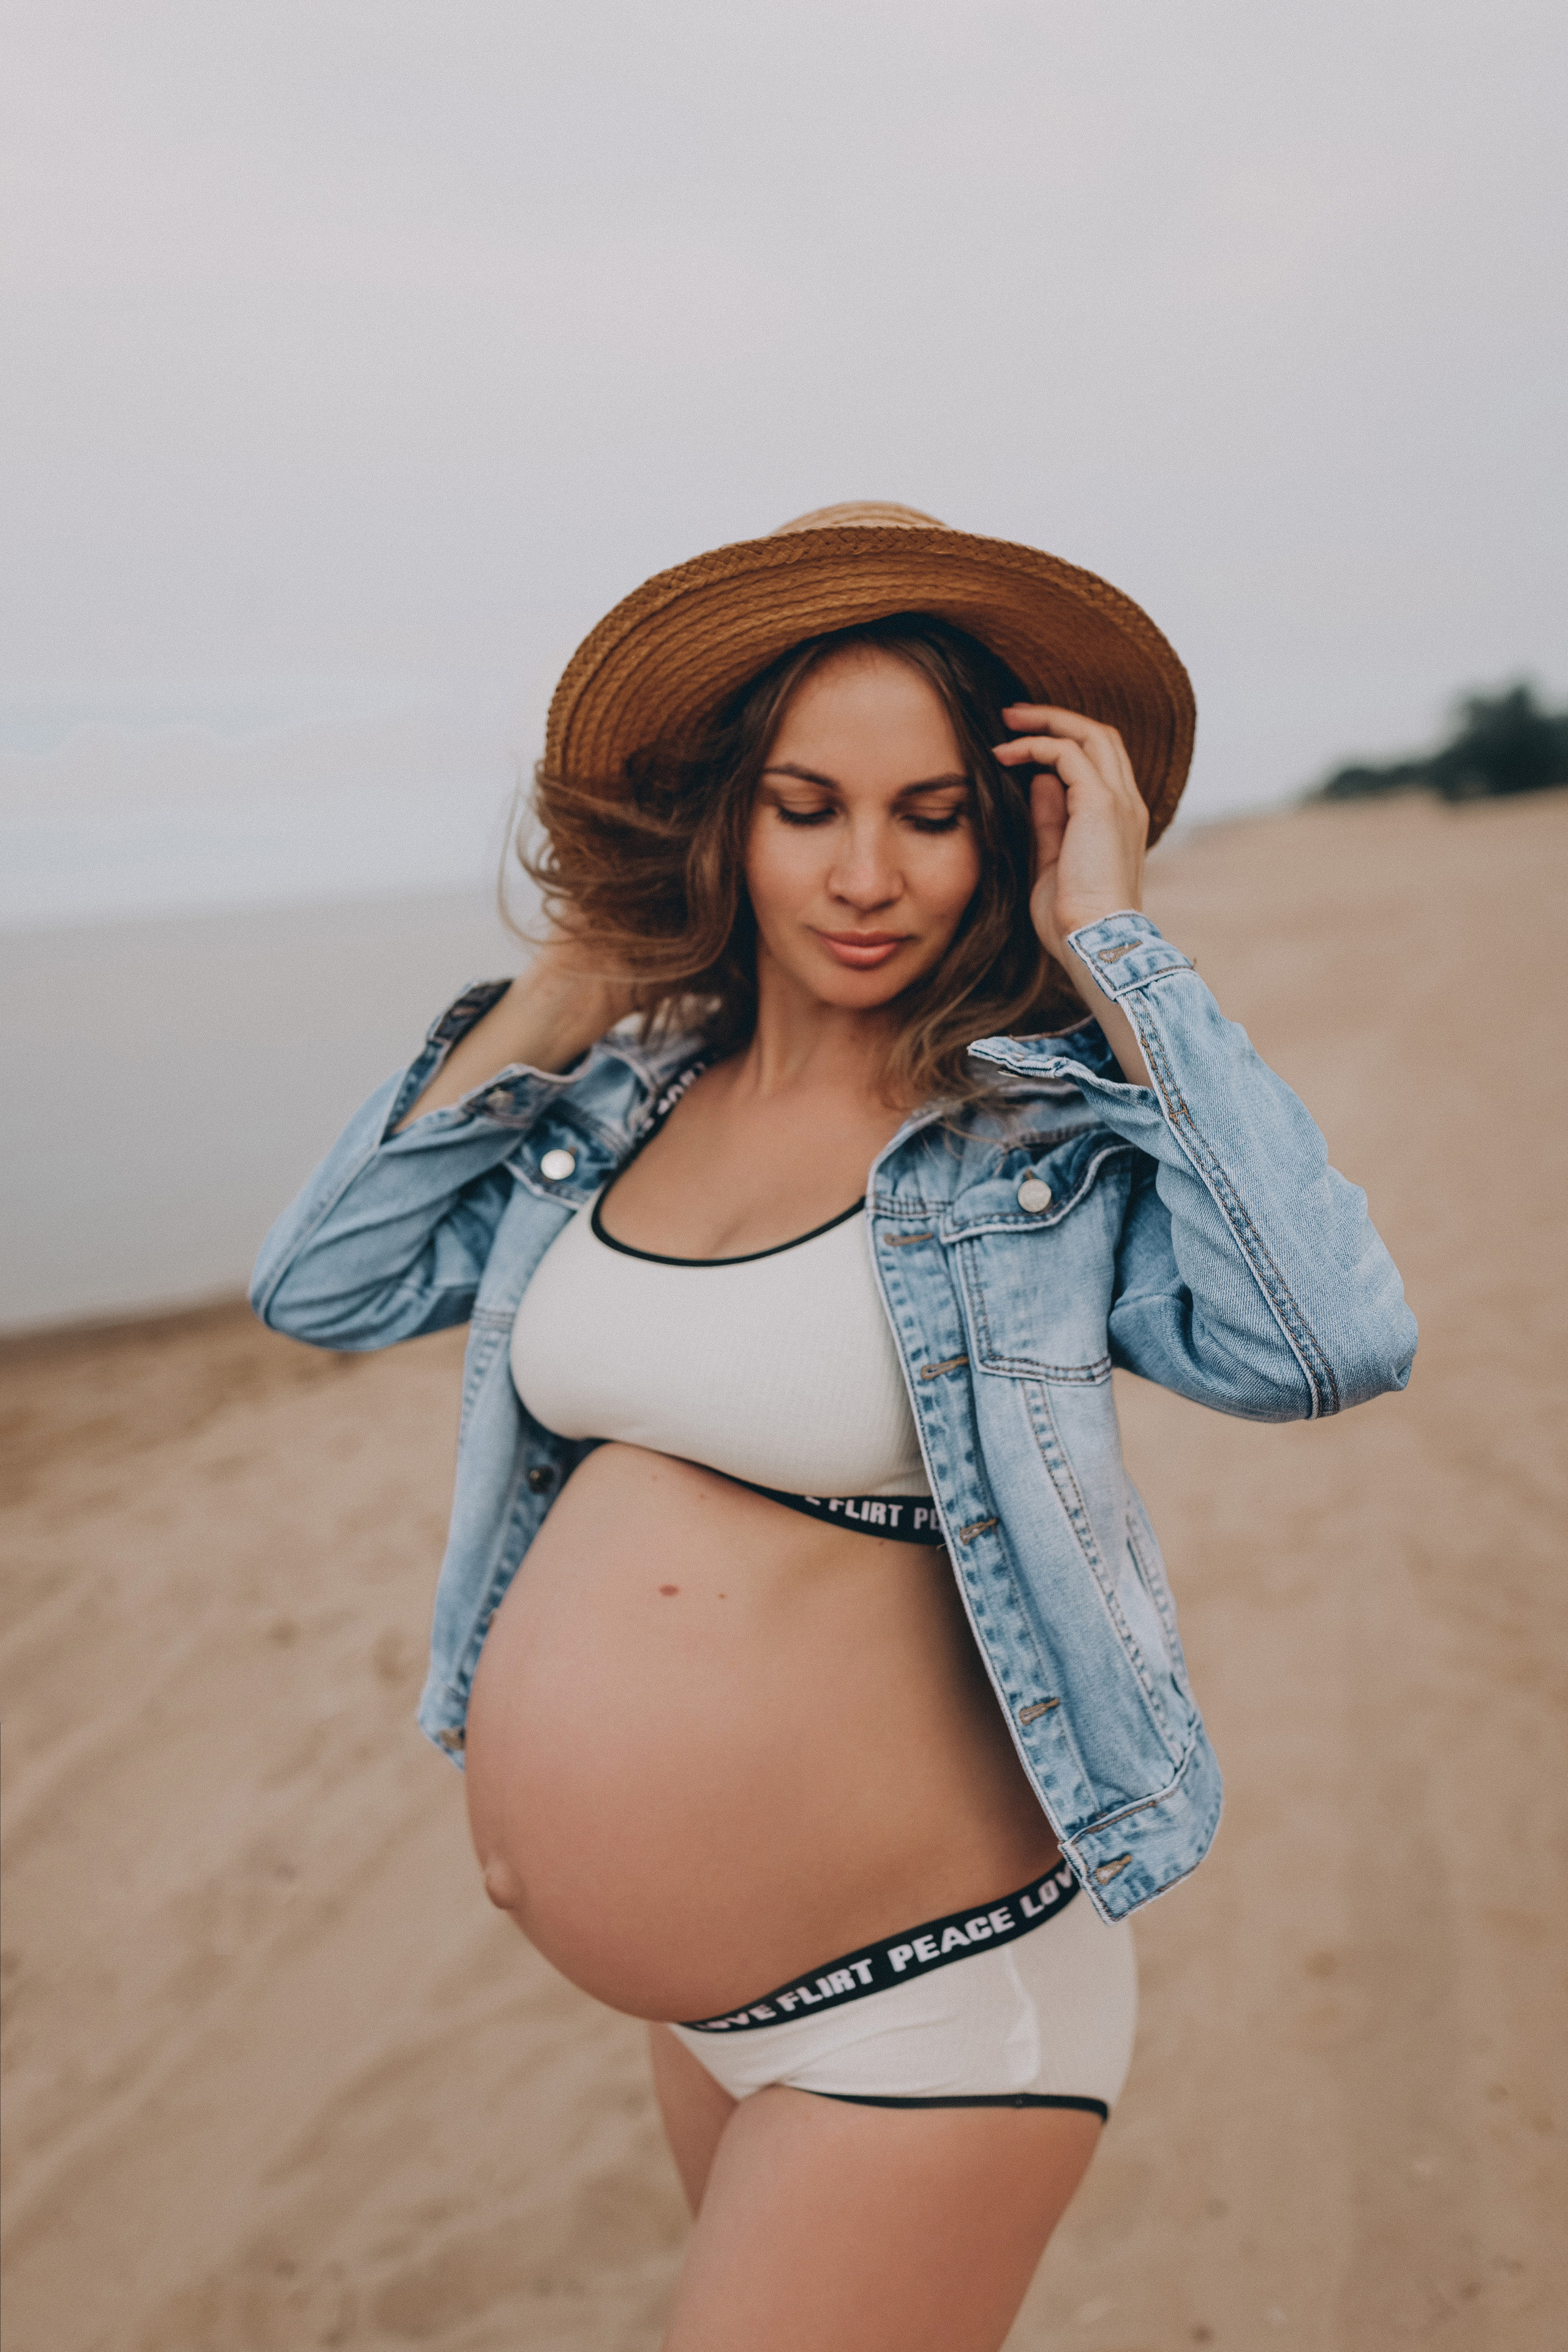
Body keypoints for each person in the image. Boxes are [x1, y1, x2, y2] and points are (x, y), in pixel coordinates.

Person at [252, 503, 1416, 2350]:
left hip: (932, 2011)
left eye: (930, 814)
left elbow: (1332, 1344)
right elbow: (326, 1284)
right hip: (706, 2013)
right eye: (807, 809)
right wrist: (572, 976)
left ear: (1007, 831)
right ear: (729, 821)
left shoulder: (1029, 1146)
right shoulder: (626, 1103)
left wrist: (1118, 946)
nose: (866, 875)